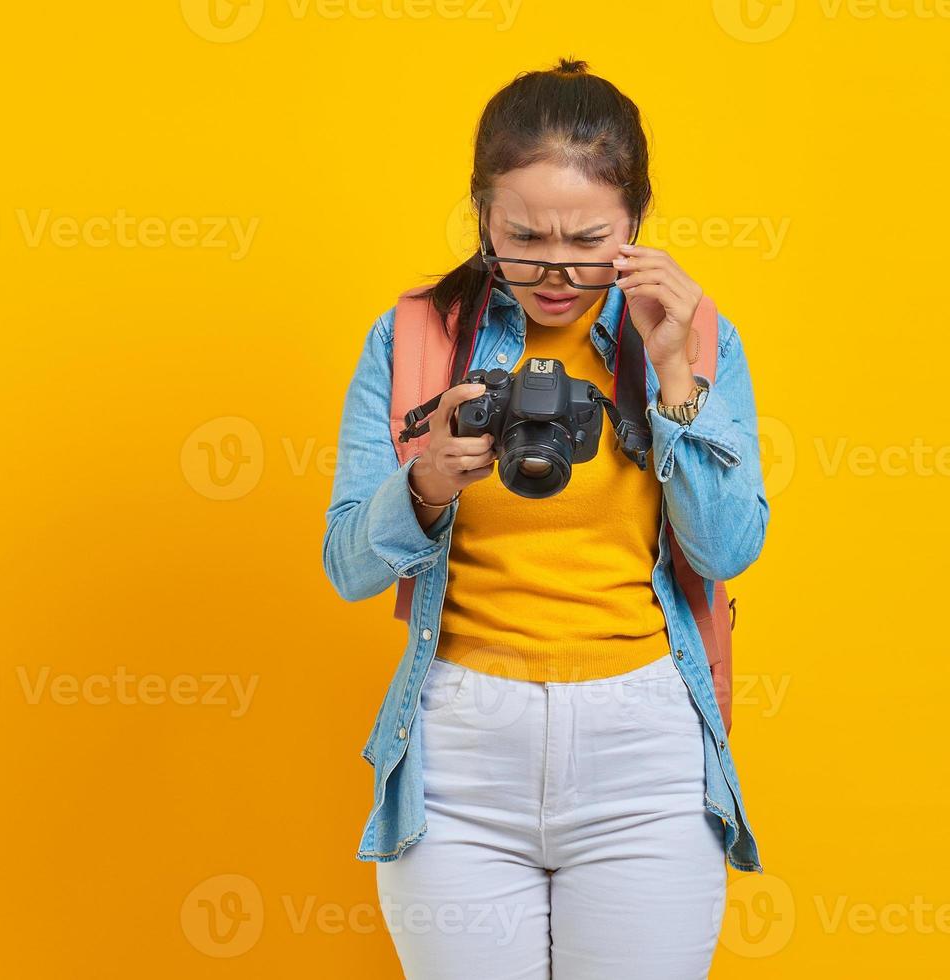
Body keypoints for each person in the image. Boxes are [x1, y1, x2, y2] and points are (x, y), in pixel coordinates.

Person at [323, 57, 769, 979]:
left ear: (636, 223)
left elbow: (728, 547)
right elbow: (346, 566)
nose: (556, 270)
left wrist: (677, 375)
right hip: (458, 749)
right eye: (522, 237)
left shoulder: (693, 336)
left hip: (642, 741)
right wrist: (426, 487)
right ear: (482, 213)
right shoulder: (413, 337)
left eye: (588, 240)